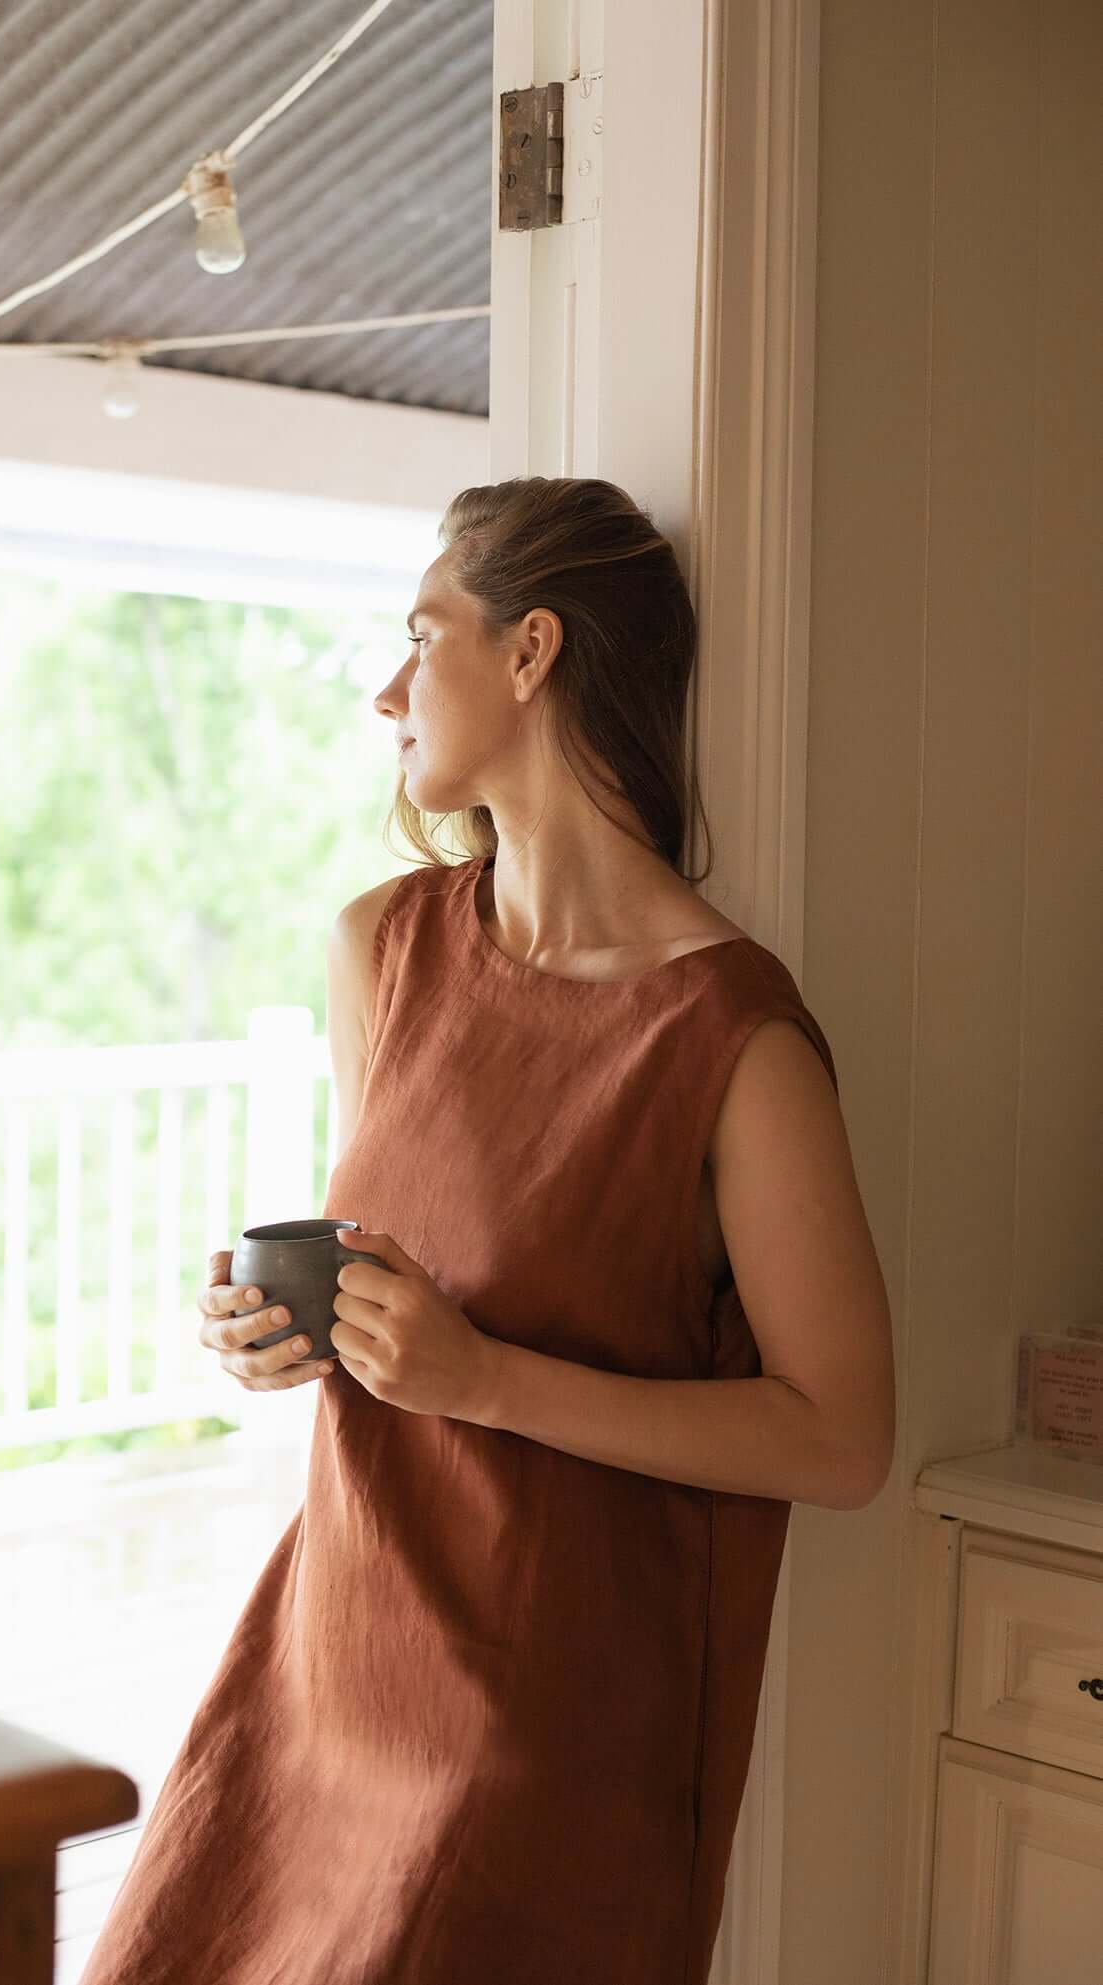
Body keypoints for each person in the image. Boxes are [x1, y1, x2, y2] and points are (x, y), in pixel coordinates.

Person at [79, 475, 894, 1985]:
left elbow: (842, 1436)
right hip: (323, 1663)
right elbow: (407, 1261)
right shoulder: (381, 948)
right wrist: (287, 1334)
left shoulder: (733, 1034)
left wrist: (487, 1380)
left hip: (543, 1744)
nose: (389, 689)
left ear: (531, 652)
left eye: (419, 634)